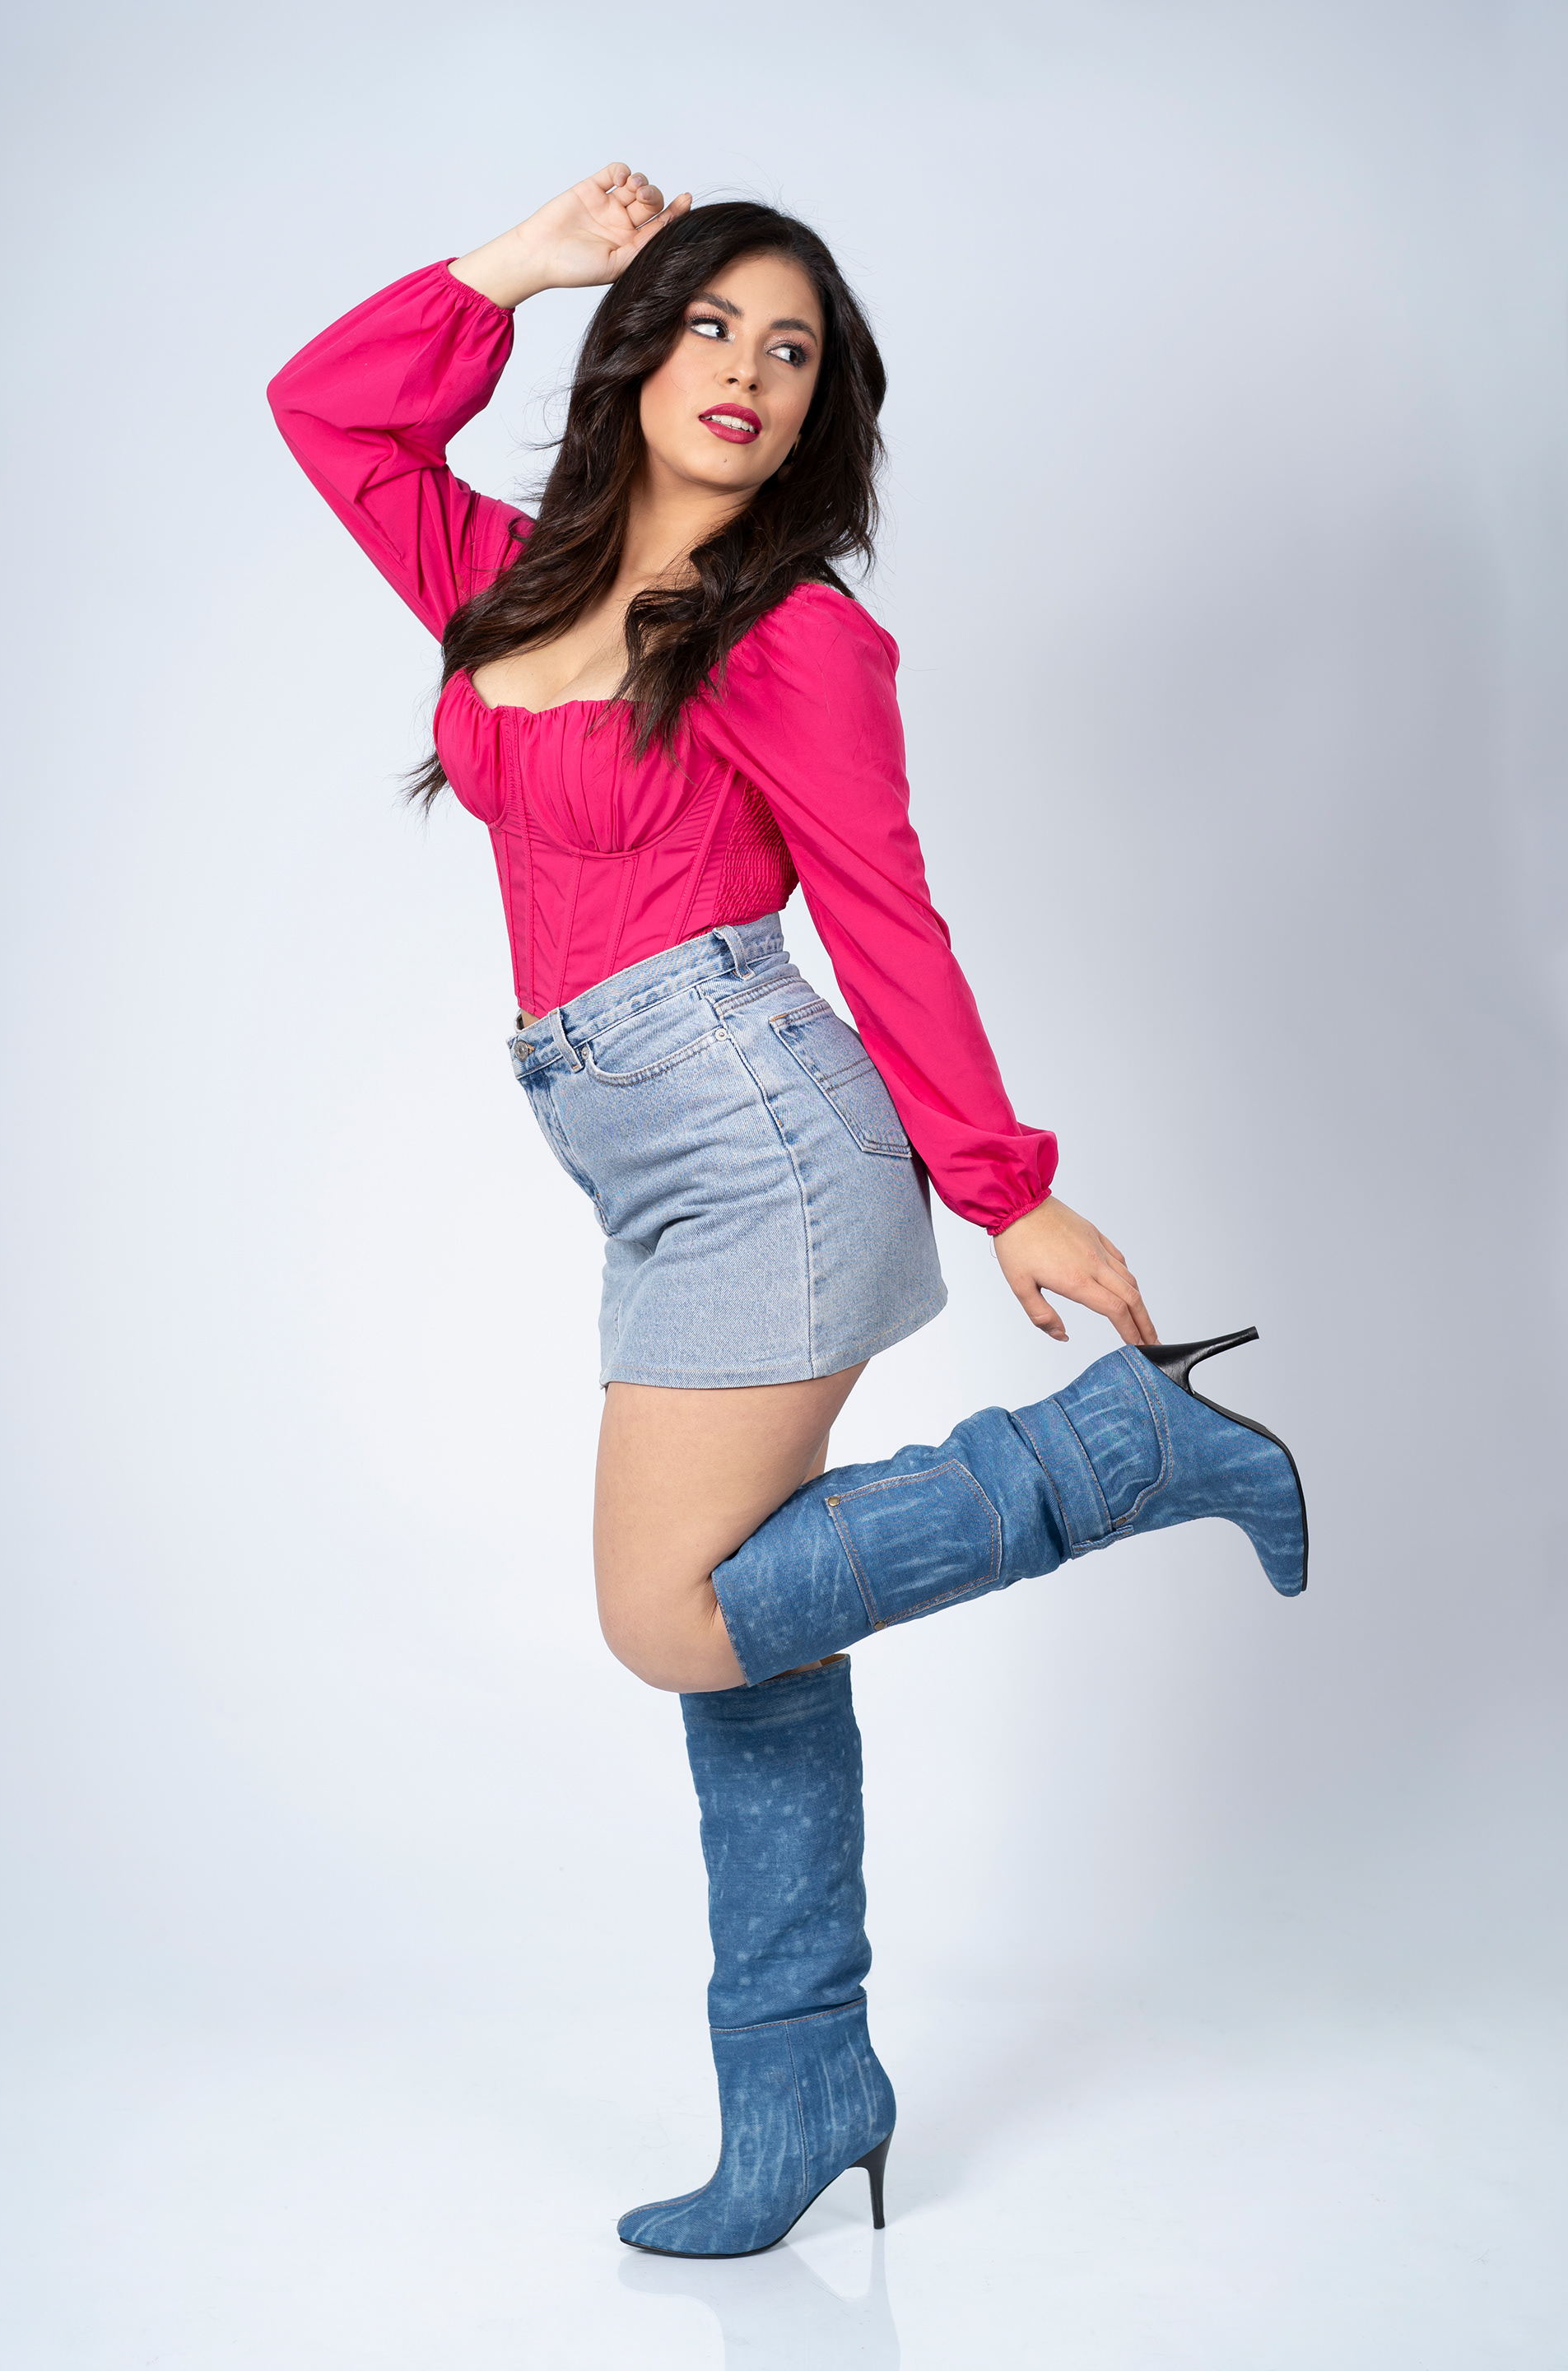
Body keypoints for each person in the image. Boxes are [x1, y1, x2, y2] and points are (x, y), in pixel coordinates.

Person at [269, 164, 1307, 2260]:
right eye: (709, 323)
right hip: (635, 1157)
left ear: (825, 405)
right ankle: (802, 2085)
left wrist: (1005, 1188)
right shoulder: (506, 576)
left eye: (794, 348)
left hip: (759, 1133)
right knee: (751, 1631)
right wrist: (527, 260)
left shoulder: (791, 633)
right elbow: (331, 412)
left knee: (665, 1614)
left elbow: (882, 911)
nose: (747, 368)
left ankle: (1120, 1450)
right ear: (637, 351)